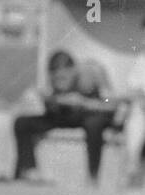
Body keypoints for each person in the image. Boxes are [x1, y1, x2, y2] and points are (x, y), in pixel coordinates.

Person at [13, 51, 118, 183]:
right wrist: (46, 99)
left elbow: (112, 105)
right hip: (66, 115)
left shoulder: (92, 73)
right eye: (55, 78)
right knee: (22, 122)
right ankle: (29, 170)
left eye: (63, 78)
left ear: (73, 70)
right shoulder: (50, 80)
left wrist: (84, 102)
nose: (59, 83)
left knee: (94, 124)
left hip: (91, 115)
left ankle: (93, 176)